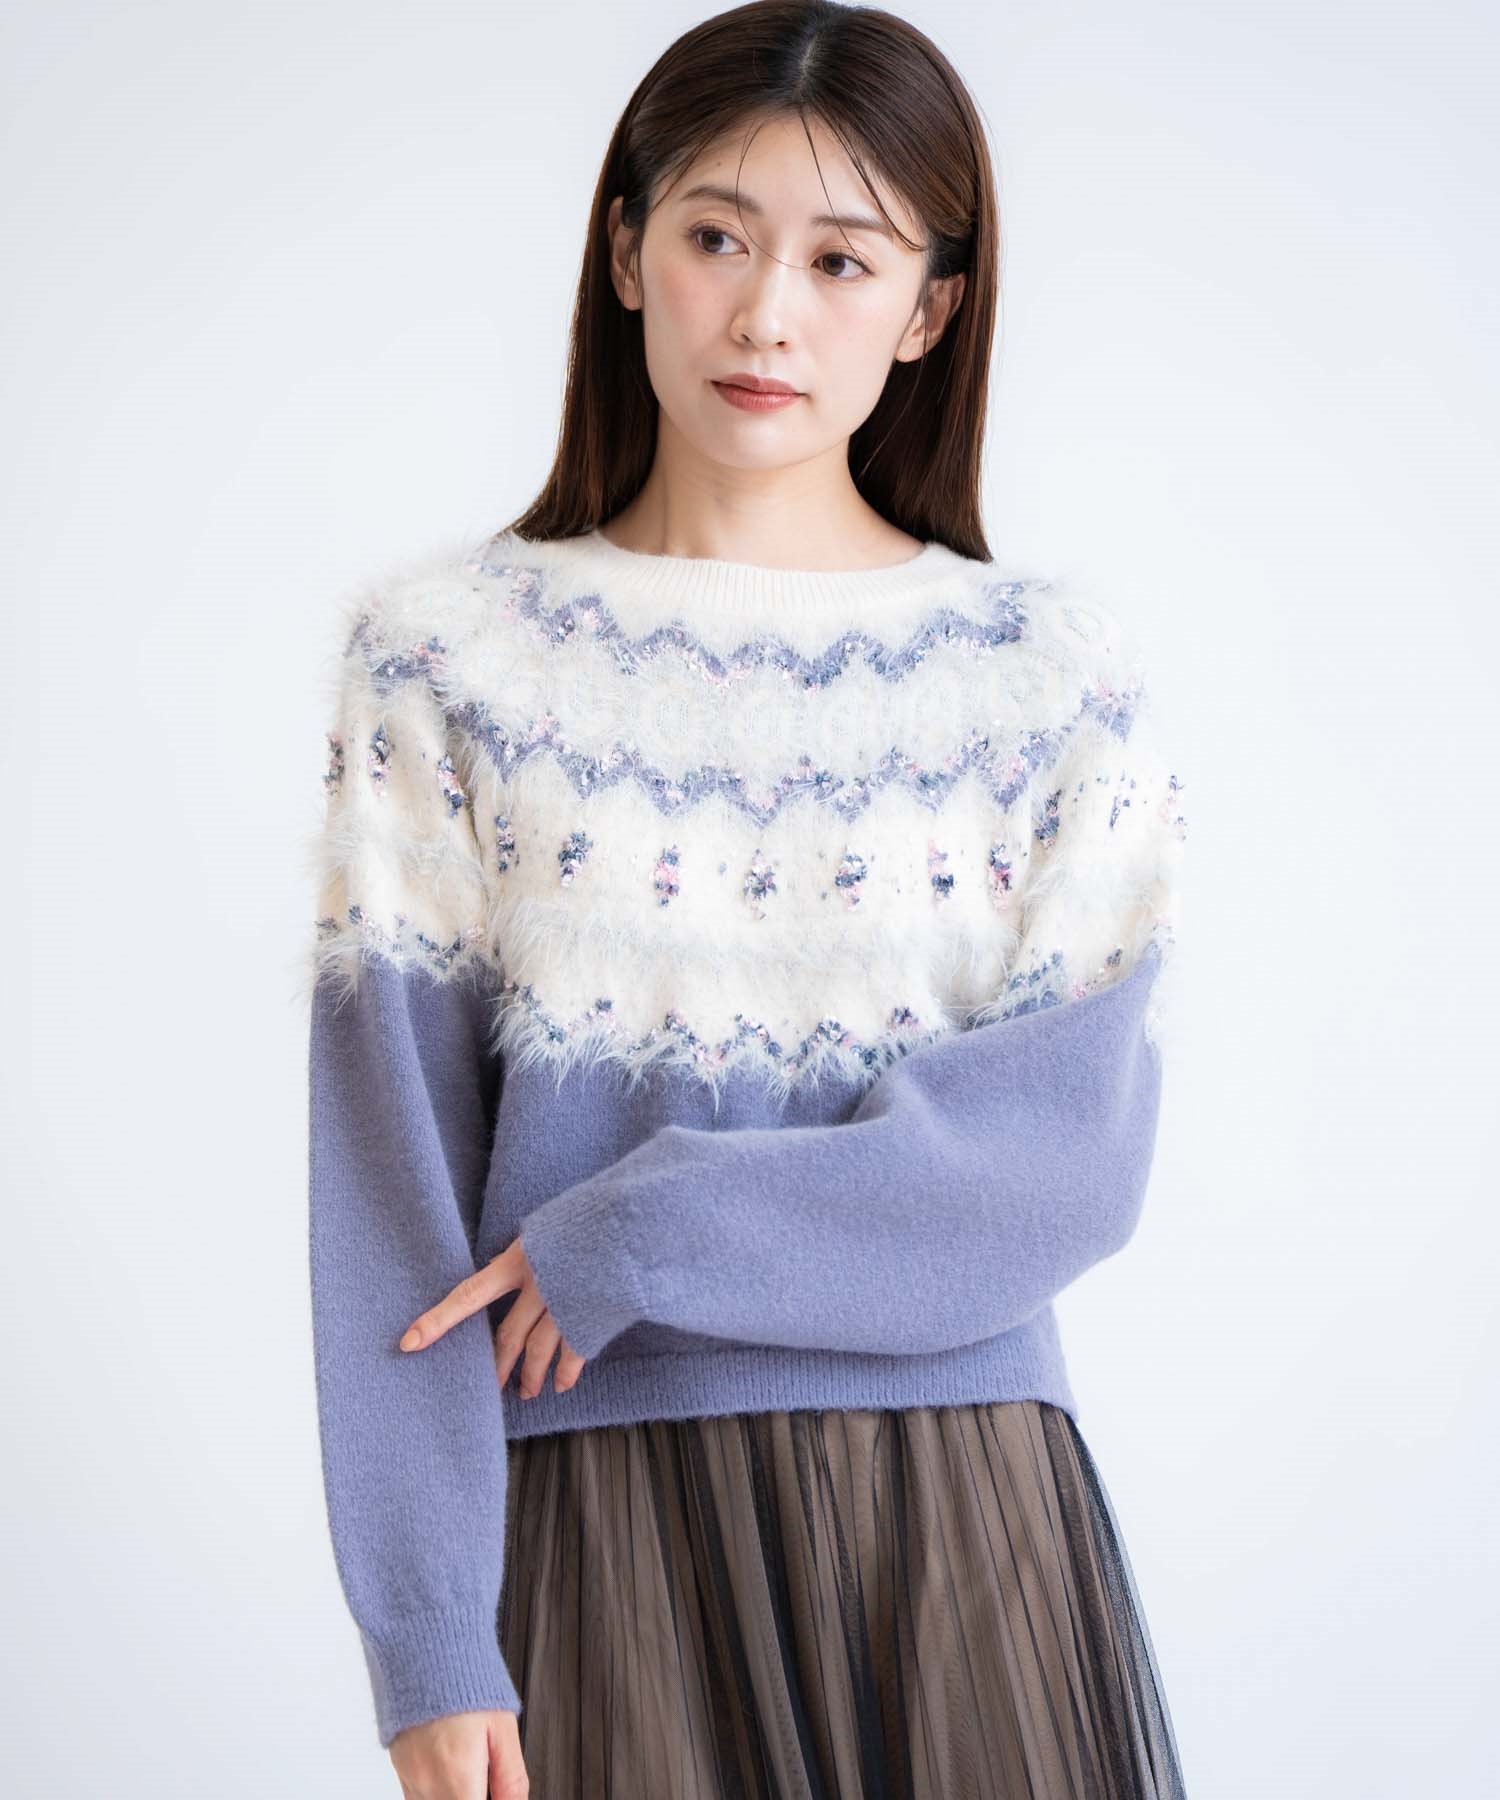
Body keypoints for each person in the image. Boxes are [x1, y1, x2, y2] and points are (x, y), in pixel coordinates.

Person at [303, 3, 1192, 1794]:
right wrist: (427, 1634)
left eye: (843, 260)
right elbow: (390, 1199)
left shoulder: (1041, 676)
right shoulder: (450, 659)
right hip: (600, 1520)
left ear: (930, 309)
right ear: (626, 248)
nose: (768, 312)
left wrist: (644, 1234)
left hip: (956, 1516)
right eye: (717, 235)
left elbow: (1065, 1165)